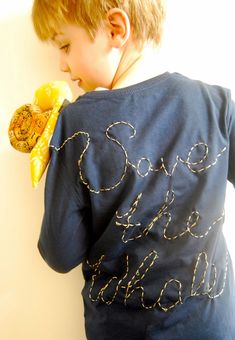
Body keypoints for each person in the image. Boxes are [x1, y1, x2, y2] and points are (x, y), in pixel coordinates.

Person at [31, 1, 235, 339]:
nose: (61, 65)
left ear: (115, 28)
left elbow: (60, 253)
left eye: (65, 45)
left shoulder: (77, 125)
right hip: (213, 328)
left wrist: (58, 157)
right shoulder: (217, 106)